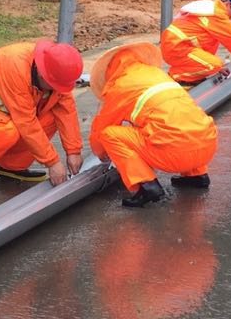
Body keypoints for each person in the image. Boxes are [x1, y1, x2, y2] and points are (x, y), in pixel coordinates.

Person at [88, 41, 218, 208]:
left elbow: (102, 126)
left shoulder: (120, 86)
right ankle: (196, 176)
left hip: (174, 154)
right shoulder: (158, 75)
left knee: (108, 134)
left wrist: (101, 153)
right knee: (181, 122)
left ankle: (145, 186)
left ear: (110, 71)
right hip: (207, 145)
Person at [0, 38, 84, 193]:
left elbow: (66, 110)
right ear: (42, 74)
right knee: (7, 131)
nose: (57, 89)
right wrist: (52, 162)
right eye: (54, 85)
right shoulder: (15, 68)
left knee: (50, 118)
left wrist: (74, 151)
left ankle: (11, 166)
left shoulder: (53, 68)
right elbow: (26, 123)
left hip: (5, 114)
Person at [161, 0, 231, 85]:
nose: (230, 19)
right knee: (215, 64)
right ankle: (177, 77)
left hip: (175, 46)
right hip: (177, 48)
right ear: (229, 5)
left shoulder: (210, 8)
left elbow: (205, 45)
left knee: (214, 61)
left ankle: (183, 73)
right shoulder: (217, 14)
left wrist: (216, 69)